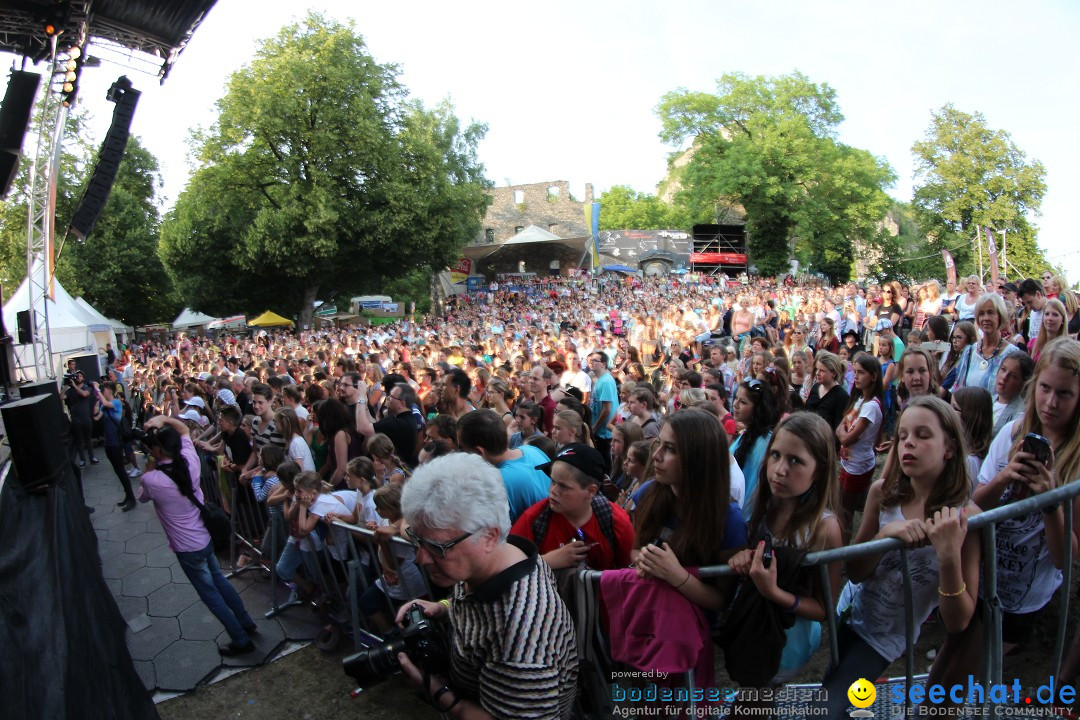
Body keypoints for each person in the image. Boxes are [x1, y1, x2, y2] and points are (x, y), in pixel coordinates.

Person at [821, 396, 980, 717]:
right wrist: (883, 537)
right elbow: (856, 572)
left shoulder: (966, 518)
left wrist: (949, 557)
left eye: (923, 435)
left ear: (949, 447)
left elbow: (958, 620)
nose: (909, 443)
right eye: (904, 435)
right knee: (829, 692)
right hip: (852, 615)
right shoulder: (883, 493)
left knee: (828, 710)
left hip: (887, 638)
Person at [395, 452, 579, 719]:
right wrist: (444, 608)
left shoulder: (521, 642)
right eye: (416, 539)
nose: (420, 558)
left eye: (436, 546)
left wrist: (436, 691)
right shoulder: (506, 554)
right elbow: (476, 607)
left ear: (489, 536)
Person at [973, 337, 1080, 658]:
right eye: (1045, 388)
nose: (1051, 402)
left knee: (985, 664)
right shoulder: (1010, 434)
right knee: (959, 656)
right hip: (982, 575)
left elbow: (1067, 558)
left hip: (1025, 593)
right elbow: (977, 504)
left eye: (1064, 393)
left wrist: (1050, 503)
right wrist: (1007, 475)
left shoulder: (1076, 462)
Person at [727, 413, 843, 689]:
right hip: (756, 632)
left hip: (788, 642)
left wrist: (774, 593)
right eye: (776, 455)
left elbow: (823, 608)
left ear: (820, 469)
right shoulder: (766, 505)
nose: (779, 469)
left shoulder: (824, 529)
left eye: (796, 461)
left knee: (753, 704)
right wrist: (744, 554)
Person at [138, 415, 259, 656]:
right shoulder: (190, 460)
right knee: (220, 582)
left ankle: (240, 639)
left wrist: (152, 456)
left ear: (159, 450)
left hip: (186, 548)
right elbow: (183, 429)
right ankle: (246, 622)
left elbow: (142, 494)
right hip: (204, 538)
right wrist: (162, 418)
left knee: (210, 594)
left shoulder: (153, 479)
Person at [632, 409, 748, 613]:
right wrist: (644, 561)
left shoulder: (729, 520)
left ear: (698, 458)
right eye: (659, 444)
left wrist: (676, 575)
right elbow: (635, 548)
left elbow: (722, 600)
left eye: (670, 449)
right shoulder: (647, 493)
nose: (656, 456)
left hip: (691, 629)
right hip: (649, 614)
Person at [510, 443, 635, 570]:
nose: (553, 490)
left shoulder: (614, 520)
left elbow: (628, 575)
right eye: (553, 481)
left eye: (563, 486)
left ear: (591, 491)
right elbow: (506, 568)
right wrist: (547, 561)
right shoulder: (534, 520)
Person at [457, 409, 551, 523]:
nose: (461, 454)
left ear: (479, 452)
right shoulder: (533, 450)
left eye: (462, 448)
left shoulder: (495, 484)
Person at [835, 353, 885, 541]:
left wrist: (842, 435)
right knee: (841, 506)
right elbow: (841, 425)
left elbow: (848, 438)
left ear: (873, 376)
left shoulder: (871, 406)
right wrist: (842, 433)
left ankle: (844, 548)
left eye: (861, 373)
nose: (856, 377)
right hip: (849, 462)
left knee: (846, 512)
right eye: (854, 372)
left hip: (858, 465)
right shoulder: (860, 400)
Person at [730, 375, 783, 521]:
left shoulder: (764, 443)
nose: (735, 405)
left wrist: (743, 520)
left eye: (743, 402)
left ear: (757, 409)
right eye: (736, 398)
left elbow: (754, 487)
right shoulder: (747, 434)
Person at [952, 293, 1024, 400]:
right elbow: (957, 392)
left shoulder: (1012, 354)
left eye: (990, 313)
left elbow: (1016, 398)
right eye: (981, 314)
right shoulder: (969, 352)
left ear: (1000, 316)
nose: (986, 318)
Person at [93, 380, 137, 510]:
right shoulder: (105, 405)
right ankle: (127, 496)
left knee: (121, 471)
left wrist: (97, 390)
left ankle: (132, 498)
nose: (103, 391)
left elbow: (106, 403)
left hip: (116, 443)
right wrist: (97, 399)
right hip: (108, 443)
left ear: (110, 390)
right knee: (118, 471)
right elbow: (96, 416)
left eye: (104, 389)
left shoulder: (116, 403)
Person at [804, 351, 849, 432]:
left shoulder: (842, 397)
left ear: (833, 373)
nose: (817, 373)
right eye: (817, 369)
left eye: (822, 371)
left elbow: (838, 428)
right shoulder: (815, 387)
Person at [588, 351, 618, 470]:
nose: (591, 362)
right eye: (590, 360)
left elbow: (607, 409)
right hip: (600, 430)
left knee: (604, 464)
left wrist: (594, 427)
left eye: (595, 360)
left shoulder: (605, 381)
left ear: (603, 364)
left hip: (604, 433)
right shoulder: (599, 379)